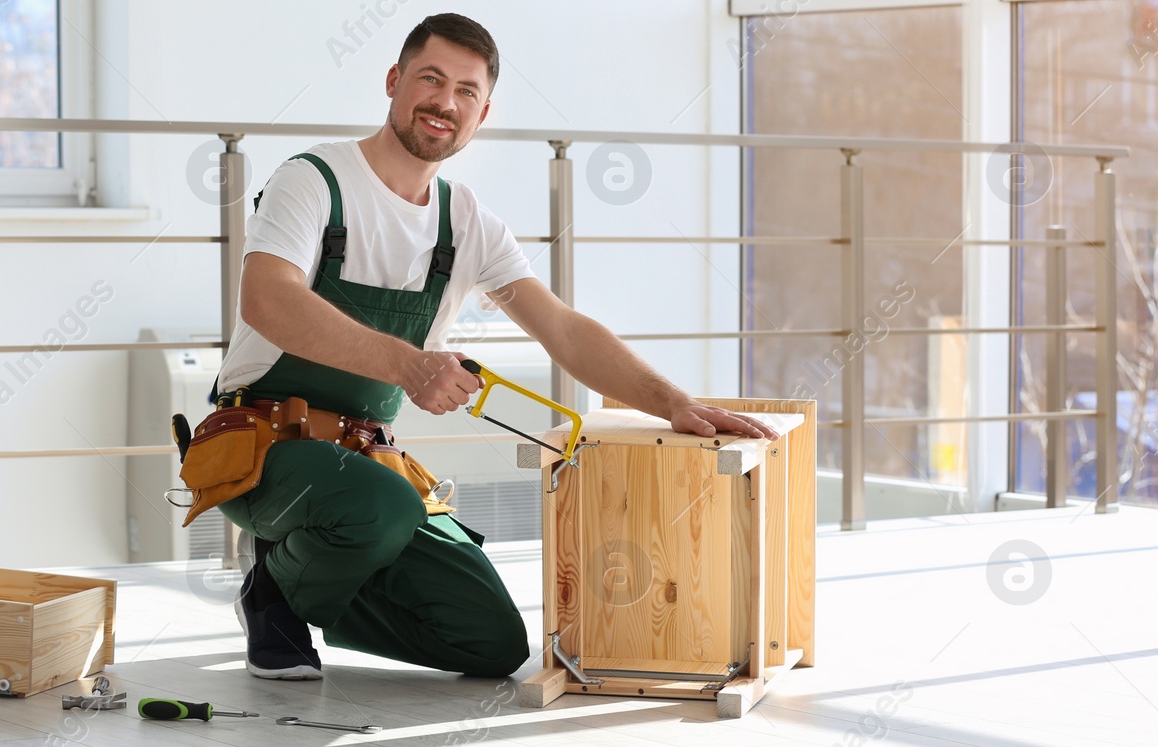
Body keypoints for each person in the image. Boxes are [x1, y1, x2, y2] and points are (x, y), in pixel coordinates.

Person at [214, 13, 780, 681]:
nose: (444, 103)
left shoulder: (467, 222)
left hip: (361, 461)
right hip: (261, 451)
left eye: (466, 92)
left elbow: (563, 327)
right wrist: (407, 363)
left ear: (482, 113)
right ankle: (274, 589)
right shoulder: (313, 181)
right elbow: (267, 299)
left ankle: (317, 570)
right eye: (430, 79)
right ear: (394, 81)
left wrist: (673, 402)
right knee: (381, 509)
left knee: (489, 640)